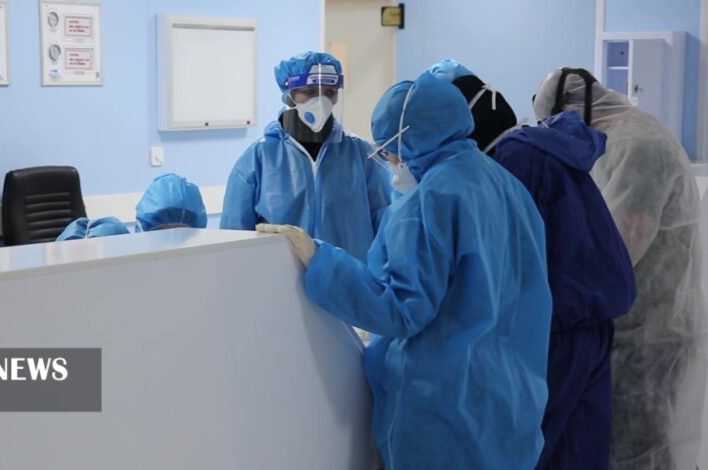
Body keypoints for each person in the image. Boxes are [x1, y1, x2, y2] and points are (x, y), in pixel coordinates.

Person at [258, 70, 553, 469]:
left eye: (390, 150)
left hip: (444, 405)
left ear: (410, 138)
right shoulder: (504, 184)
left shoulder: (429, 201)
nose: (390, 161)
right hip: (511, 398)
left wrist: (320, 259)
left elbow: (400, 309)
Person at [431, 59, 637, 469]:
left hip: (557, 327)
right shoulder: (540, 147)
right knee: (580, 449)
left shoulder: (515, 161)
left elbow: (504, 258)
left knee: (531, 448)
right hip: (591, 321)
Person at [534, 67, 706, 470]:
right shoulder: (618, 141)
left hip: (648, 332)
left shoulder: (640, 146)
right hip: (631, 326)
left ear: (572, 110)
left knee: (636, 450)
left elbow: (617, 249)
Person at [220, 51, 392, 261]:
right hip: (279, 276)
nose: (321, 101)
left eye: (330, 92)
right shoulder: (259, 158)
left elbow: (385, 224)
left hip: (348, 276)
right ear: (289, 94)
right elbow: (234, 237)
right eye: (309, 92)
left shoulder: (362, 155)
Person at [56, 173, 207, 241]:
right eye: (163, 235)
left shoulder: (205, 265)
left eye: (183, 237)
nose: (172, 242)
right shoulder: (131, 265)